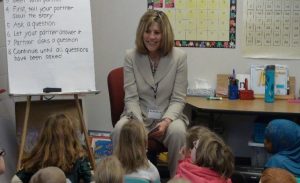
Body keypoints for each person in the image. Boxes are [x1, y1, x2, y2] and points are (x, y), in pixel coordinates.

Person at [111, 9, 188, 177]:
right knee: (119, 129)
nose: (151, 37)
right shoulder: (130, 56)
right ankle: (119, 177)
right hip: (137, 115)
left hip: (168, 117)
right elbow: (130, 97)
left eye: (157, 32)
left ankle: (177, 179)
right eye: (147, 31)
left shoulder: (179, 57)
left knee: (179, 132)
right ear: (141, 33)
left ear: (164, 34)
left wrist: (167, 121)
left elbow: (178, 99)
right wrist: (139, 125)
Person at [11, 113, 93, 183]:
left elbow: (15, 180)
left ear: (45, 135)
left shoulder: (37, 158)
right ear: (71, 135)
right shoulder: (79, 158)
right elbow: (92, 180)